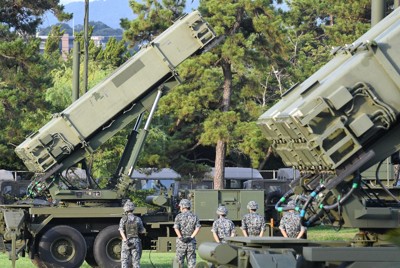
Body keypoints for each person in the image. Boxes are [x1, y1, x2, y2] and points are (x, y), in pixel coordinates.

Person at [173, 199, 201, 268]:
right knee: (191, 261)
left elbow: (176, 228)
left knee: (178, 262)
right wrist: (191, 237)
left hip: (181, 242)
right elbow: (198, 228)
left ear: (182, 206)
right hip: (191, 242)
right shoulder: (194, 216)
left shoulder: (178, 216)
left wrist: (180, 237)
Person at [119, 200, 146, 268]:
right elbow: (142, 231)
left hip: (126, 241)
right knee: (136, 261)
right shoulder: (138, 219)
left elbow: (121, 231)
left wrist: (125, 240)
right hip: (136, 241)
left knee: (124, 260)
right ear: (133, 209)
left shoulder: (123, 219)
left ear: (125, 209)